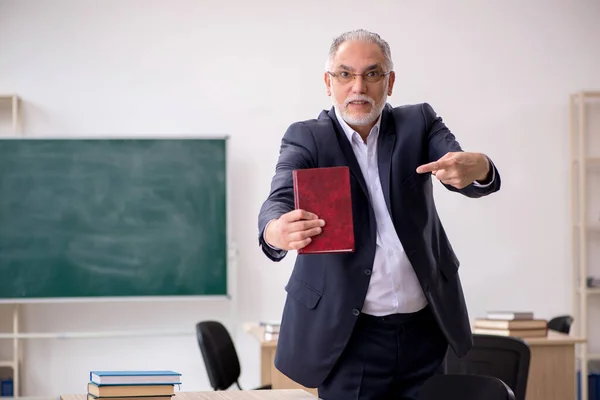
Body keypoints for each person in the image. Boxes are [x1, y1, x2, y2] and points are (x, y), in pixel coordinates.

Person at [257, 29, 501, 400]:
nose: (359, 86)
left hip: (425, 330)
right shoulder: (307, 138)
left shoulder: (418, 123)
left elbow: (459, 169)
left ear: (390, 81)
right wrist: (275, 230)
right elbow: (278, 198)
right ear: (328, 82)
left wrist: (479, 166)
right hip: (349, 337)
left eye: (372, 74)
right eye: (345, 74)